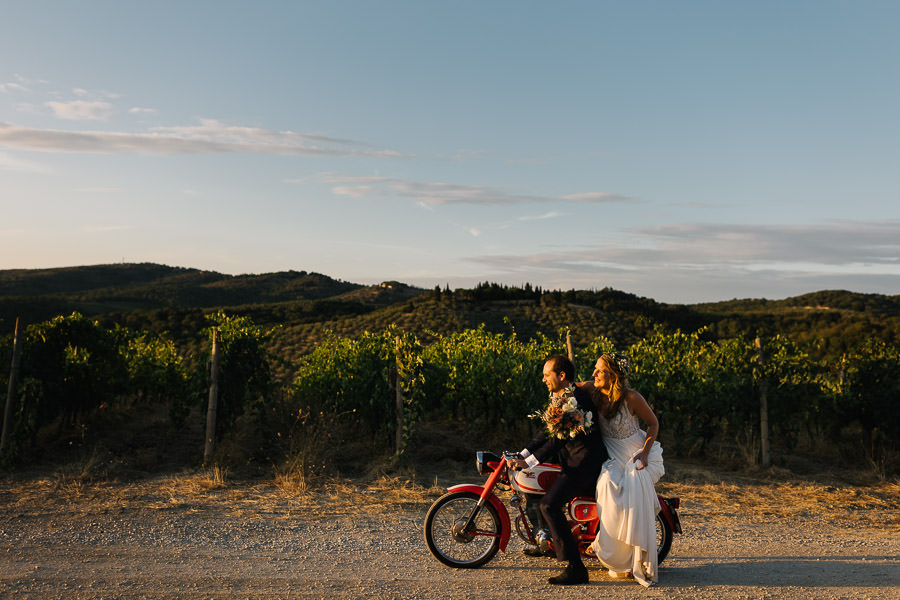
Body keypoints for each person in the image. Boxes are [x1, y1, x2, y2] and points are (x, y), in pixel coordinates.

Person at [506, 355, 608, 585]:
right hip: (571, 460)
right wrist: (522, 454)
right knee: (537, 490)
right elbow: (546, 431)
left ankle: (576, 568)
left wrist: (529, 461)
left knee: (549, 505)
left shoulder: (576, 399)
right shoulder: (561, 396)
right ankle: (547, 543)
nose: (543, 379)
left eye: (546, 375)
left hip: (583, 464)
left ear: (562, 376)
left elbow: (557, 440)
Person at [582, 352, 664, 587]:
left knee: (633, 486)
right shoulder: (593, 391)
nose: (594, 373)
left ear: (613, 375)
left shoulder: (631, 398)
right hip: (612, 457)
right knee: (607, 484)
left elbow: (653, 424)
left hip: (635, 452)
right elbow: (568, 387)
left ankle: (634, 559)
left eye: (599, 370)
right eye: (595, 369)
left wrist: (645, 453)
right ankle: (612, 552)